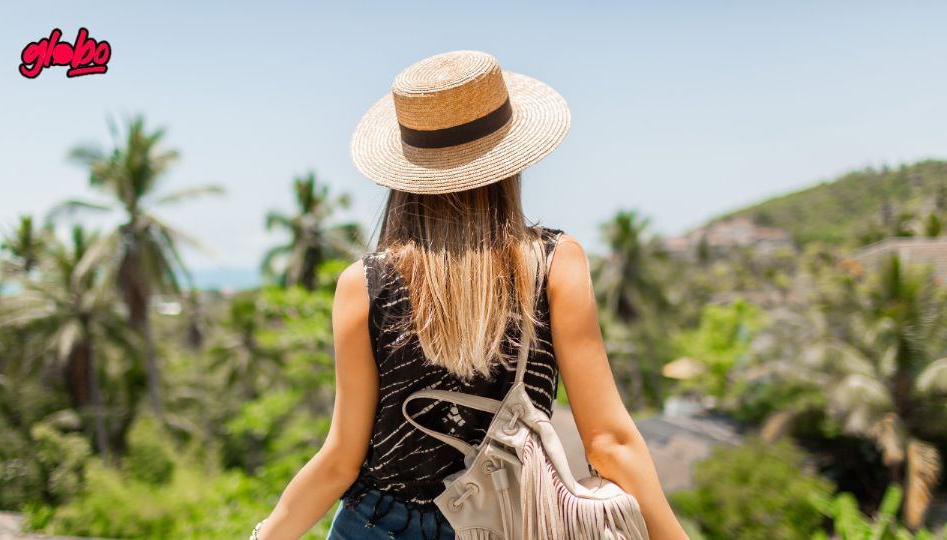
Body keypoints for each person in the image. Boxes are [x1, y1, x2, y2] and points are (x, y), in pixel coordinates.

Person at [252, 50, 688, 540]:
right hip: (507, 522)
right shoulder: (553, 264)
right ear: (510, 162)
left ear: (407, 173)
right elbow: (609, 443)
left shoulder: (363, 285)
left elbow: (339, 461)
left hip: (375, 526)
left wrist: (266, 535)